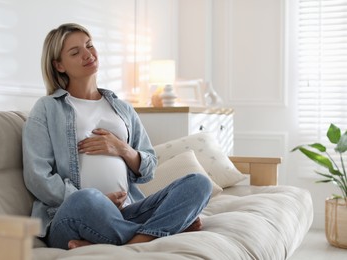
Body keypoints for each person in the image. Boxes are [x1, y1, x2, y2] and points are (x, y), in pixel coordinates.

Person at [22, 23, 212, 250]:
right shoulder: (47, 108)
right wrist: (100, 200)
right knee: (86, 200)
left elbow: (149, 167)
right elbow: (37, 177)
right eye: (75, 52)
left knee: (198, 183)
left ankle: (134, 240)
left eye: (89, 45)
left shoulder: (122, 108)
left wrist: (122, 149)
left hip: (126, 213)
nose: (87, 54)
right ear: (59, 65)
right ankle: (162, 230)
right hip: (74, 214)